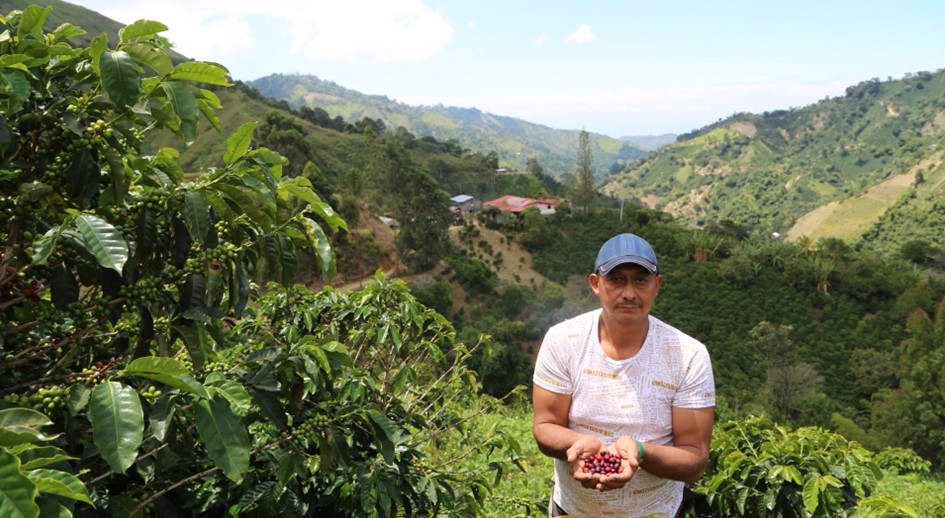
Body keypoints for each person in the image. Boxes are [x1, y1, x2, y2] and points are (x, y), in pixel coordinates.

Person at [532, 233, 716, 518]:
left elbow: (694, 458)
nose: (629, 293)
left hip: (654, 512)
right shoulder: (563, 341)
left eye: (640, 280)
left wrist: (641, 453)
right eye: (616, 279)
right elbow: (545, 426)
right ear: (596, 284)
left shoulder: (688, 355)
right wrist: (576, 444)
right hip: (573, 509)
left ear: (657, 285)